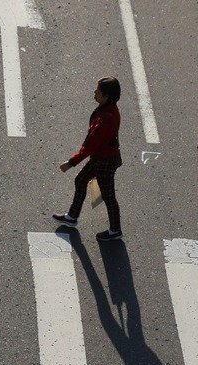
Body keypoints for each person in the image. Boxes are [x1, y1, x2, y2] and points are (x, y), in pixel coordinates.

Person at [52, 77, 124, 242]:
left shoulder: (105, 119)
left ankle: (115, 229)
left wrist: (70, 163)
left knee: (108, 196)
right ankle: (72, 216)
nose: (94, 92)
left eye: (97, 91)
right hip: (102, 158)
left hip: (104, 161)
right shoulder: (110, 109)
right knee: (81, 180)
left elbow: (89, 146)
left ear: (105, 96)